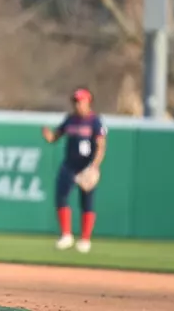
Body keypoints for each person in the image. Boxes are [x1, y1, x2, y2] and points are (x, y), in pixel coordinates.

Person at [42, 87, 107, 254]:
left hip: (86, 167)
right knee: (61, 196)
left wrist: (94, 166)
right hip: (69, 165)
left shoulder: (95, 121)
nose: (77, 105)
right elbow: (56, 137)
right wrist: (49, 136)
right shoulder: (70, 120)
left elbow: (101, 146)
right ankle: (66, 235)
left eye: (80, 101)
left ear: (88, 102)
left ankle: (85, 239)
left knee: (86, 202)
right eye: (75, 101)